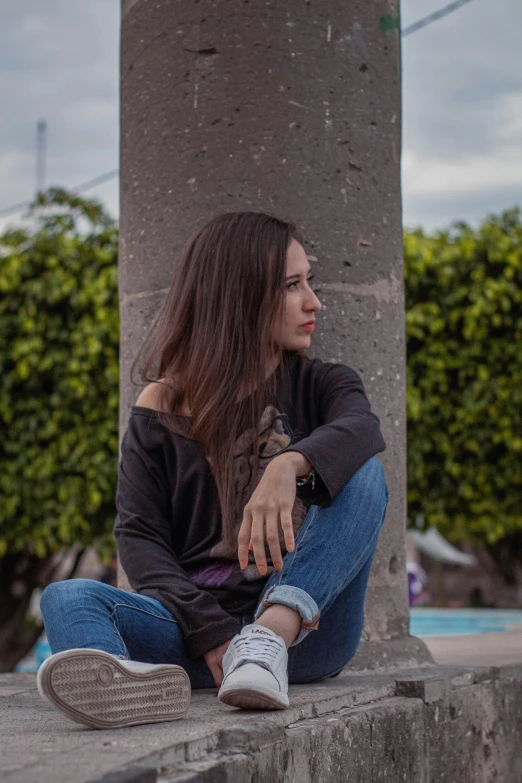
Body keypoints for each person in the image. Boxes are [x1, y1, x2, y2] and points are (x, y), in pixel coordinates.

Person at [37, 211, 389, 730]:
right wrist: (213, 635)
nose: (314, 301)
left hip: (306, 637)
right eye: (293, 285)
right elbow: (139, 537)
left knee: (365, 476)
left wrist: (290, 463)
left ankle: (266, 641)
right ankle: (125, 688)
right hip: (198, 636)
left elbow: (363, 428)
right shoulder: (160, 408)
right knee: (65, 596)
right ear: (240, 296)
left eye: (307, 281)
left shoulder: (325, 384)